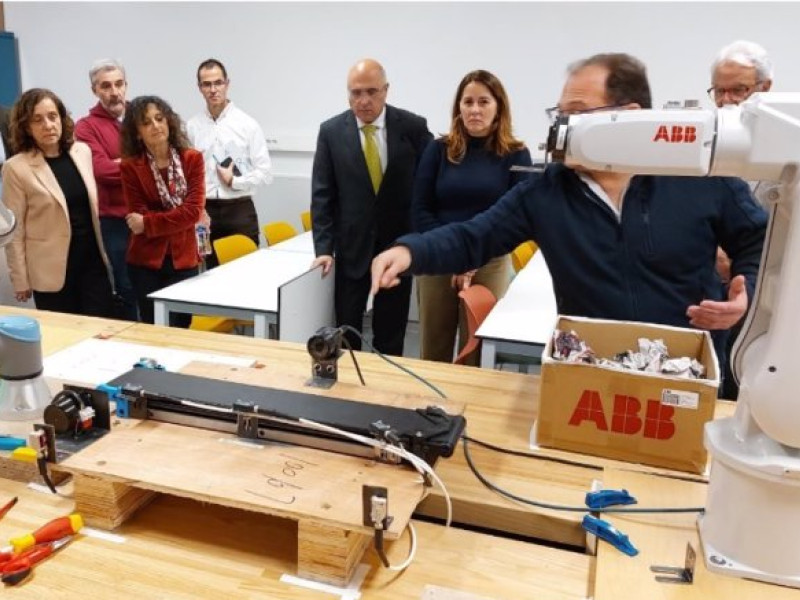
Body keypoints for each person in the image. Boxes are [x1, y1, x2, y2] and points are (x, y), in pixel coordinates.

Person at [371, 53, 768, 373]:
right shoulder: (547, 191)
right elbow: (473, 236)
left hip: (686, 372)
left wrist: (746, 285)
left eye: (576, 111)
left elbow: (754, 240)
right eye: (559, 112)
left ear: (629, 115)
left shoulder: (698, 176)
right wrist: (408, 252)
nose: (563, 126)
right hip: (588, 371)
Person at [311, 58, 432, 356]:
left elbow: (429, 185)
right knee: (347, 333)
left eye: (371, 91)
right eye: (355, 93)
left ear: (386, 91)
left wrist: (422, 238)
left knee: (391, 334)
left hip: (397, 249)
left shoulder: (413, 127)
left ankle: (384, 393)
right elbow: (322, 195)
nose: (363, 101)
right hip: (351, 249)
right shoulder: (331, 132)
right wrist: (324, 249)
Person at [413, 69, 532, 364]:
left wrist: (471, 259)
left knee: (476, 349)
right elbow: (420, 209)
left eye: (483, 102)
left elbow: (516, 219)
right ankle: (430, 408)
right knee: (433, 346)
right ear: (458, 108)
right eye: (467, 102)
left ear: (498, 107)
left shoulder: (517, 155)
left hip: (489, 262)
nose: (475, 110)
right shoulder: (438, 150)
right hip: (437, 259)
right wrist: (453, 255)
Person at [1, 88, 114, 317]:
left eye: (53, 116)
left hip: (93, 262)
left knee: (101, 332)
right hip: (51, 271)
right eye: (38, 119)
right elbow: (16, 231)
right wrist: (20, 278)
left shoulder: (81, 151)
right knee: (66, 339)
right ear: (26, 127)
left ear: (62, 119)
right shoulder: (16, 168)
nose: (48, 125)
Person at [709, 39, 773, 399]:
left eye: (739, 90)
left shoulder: (786, 150)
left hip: (768, 297)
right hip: (716, 294)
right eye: (719, 91)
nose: (727, 100)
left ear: (765, 89)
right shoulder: (710, 149)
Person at [120, 96, 204, 327]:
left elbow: (193, 212)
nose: (155, 126)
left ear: (169, 122)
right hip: (145, 262)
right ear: (137, 132)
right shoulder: (130, 166)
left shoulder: (192, 159)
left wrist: (148, 223)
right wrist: (175, 218)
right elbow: (136, 211)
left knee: (181, 328)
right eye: (146, 123)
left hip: (183, 260)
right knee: (152, 329)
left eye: (159, 119)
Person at [187, 58, 272, 268]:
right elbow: (188, 175)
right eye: (207, 84)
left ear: (227, 83)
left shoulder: (247, 125)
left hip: (239, 211)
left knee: (246, 271)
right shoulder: (192, 126)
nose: (213, 89)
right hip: (204, 213)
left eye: (218, 82)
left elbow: (265, 172)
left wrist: (235, 181)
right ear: (199, 88)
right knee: (207, 271)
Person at [75, 58, 138, 320]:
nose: (114, 92)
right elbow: (100, 170)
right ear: (95, 91)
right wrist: (141, 164)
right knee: (127, 287)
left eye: (119, 84)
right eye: (106, 86)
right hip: (115, 222)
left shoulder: (143, 116)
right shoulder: (86, 127)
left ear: (126, 85)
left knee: (157, 286)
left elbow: (167, 157)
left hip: (151, 216)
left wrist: (121, 163)